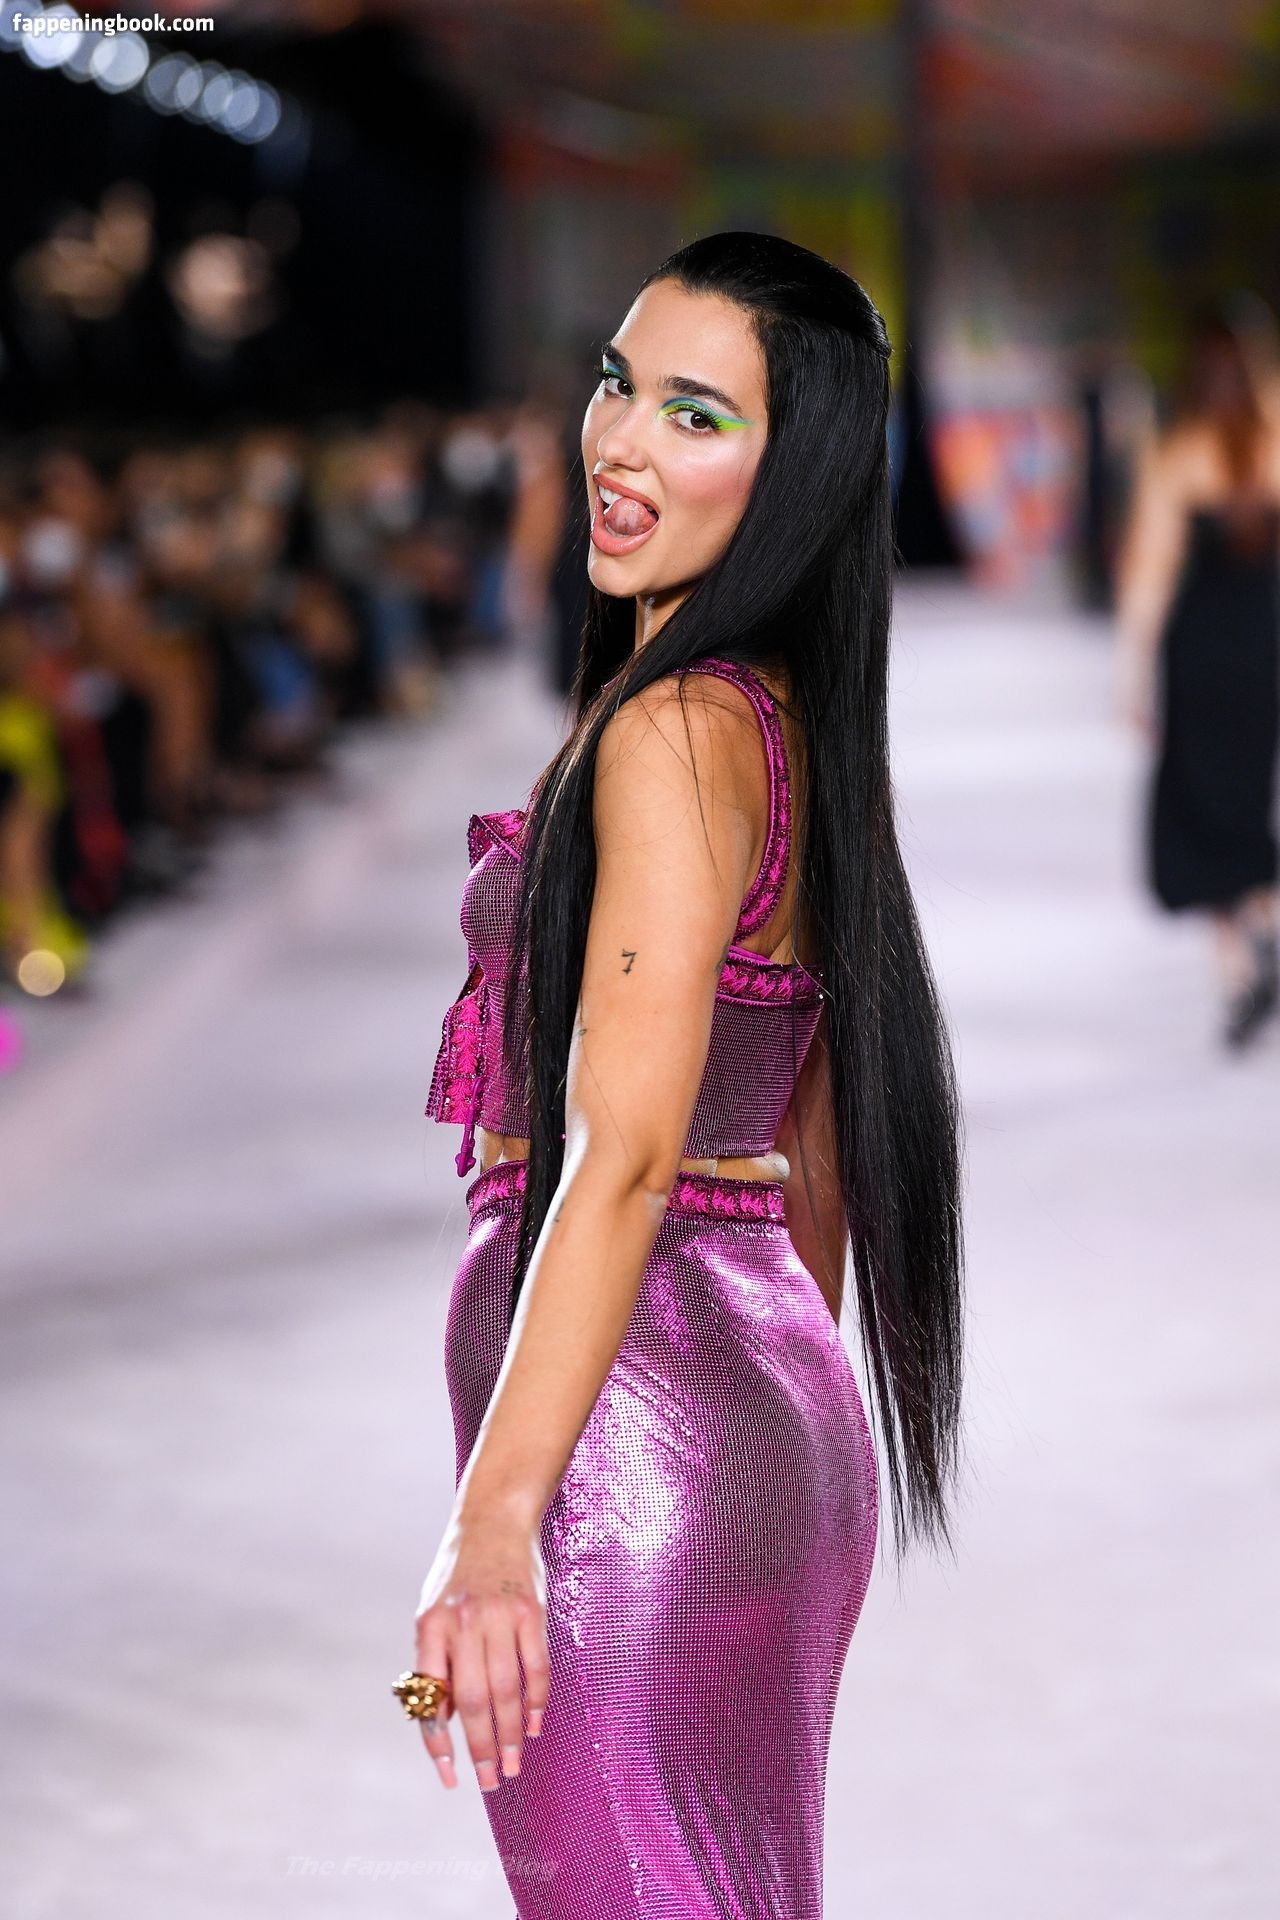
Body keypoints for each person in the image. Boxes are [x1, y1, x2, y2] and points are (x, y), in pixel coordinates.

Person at [403, 232, 967, 1919]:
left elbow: (630, 1157)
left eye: (695, 414)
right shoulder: (780, 721)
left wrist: (492, 1524)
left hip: (635, 1456)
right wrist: (769, 1454)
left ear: (793, 478)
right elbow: (813, 1143)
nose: (623, 443)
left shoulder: (671, 733)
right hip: (753, 1414)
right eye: (617, 384)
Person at [1115, 306, 1280, 1048]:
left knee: (1195, 808)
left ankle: (1237, 968)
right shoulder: (1273, 445)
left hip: (1199, 659)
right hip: (1261, 655)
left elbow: (1148, 578)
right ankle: (1264, 918)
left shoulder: (1179, 453)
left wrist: (1133, 677)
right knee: (1246, 802)